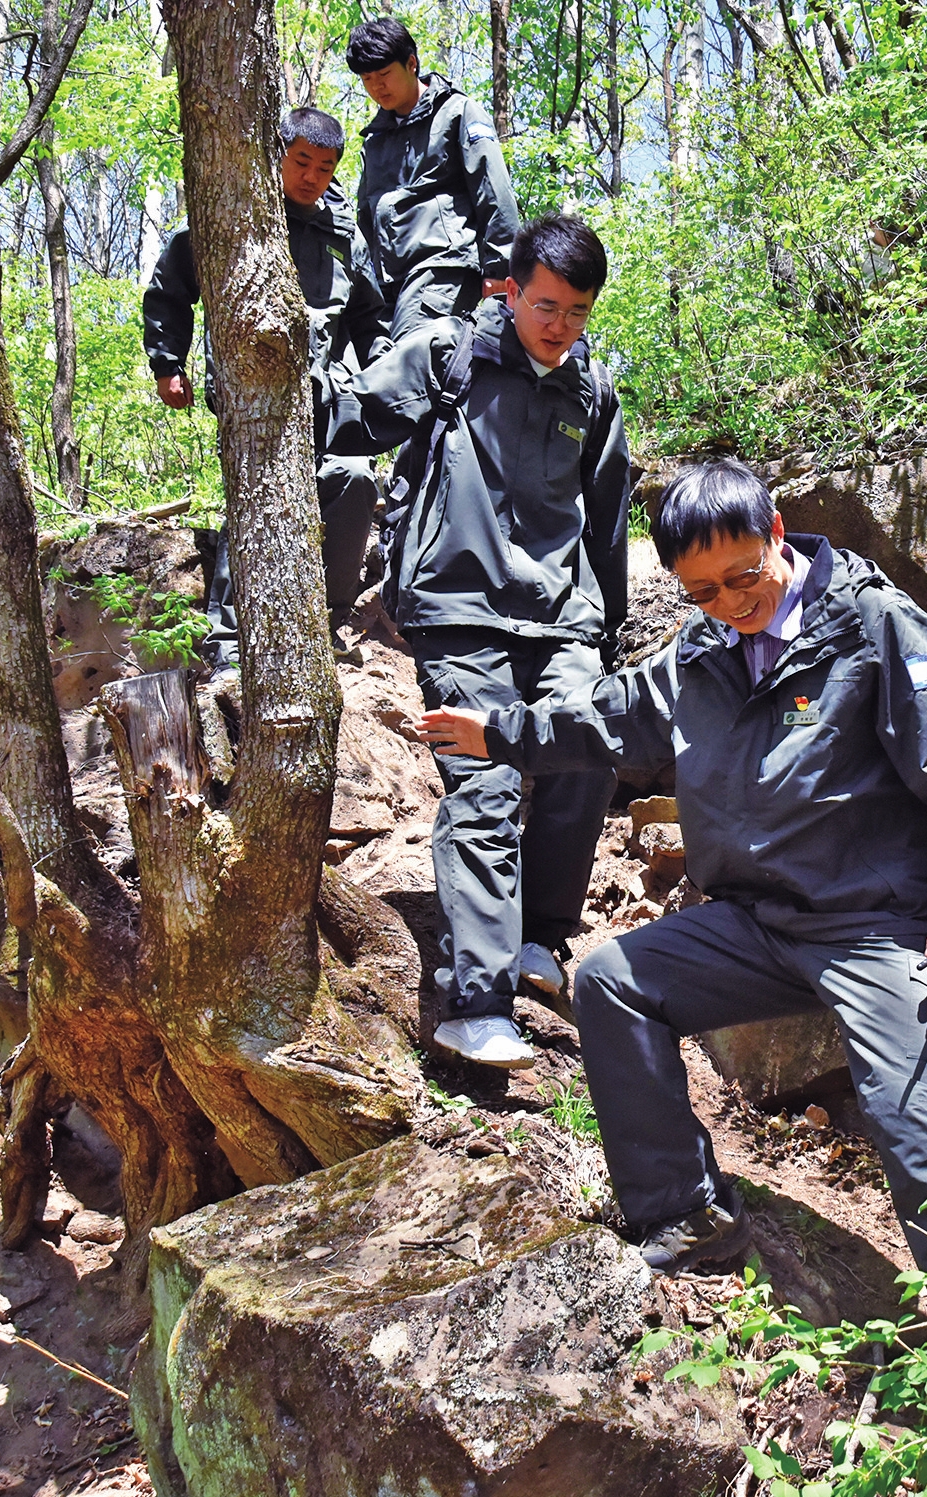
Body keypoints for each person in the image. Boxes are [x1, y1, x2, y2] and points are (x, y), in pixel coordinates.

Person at [420, 459, 927, 1322]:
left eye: (742, 576)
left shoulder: (870, 625)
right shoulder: (703, 650)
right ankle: (686, 1210)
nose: (730, 602)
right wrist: (498, 733)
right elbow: (610, 716)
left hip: (875, 925)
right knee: (609, 982)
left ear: (776, 532)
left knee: (916, 1126)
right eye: (702, 590)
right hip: (755, 921)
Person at [318, 214, 629, 1072]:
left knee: (585, 749)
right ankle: (476, 1002)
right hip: (458, 609)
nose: (560, 326)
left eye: (577, 310)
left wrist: (607, 624)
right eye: (546, 305)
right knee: (487, 778)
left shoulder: (593, 392)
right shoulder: (447, 358)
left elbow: (605, 521)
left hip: (561, 613)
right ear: (511, 288)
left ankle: (541, 940)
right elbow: (348, 419)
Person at [141, 105, 384, 670]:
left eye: (324, 169)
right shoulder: (235, 217)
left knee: (352, 481)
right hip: (251, 392)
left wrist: (379, 381)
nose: (311, 177)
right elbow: (170, 290)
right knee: (262, 498)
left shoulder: (344, 233)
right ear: (277, 155)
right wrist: (166, 360)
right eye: (301, 162)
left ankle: (324, 624)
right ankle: (229, 643)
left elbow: (371, 317)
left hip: (331, 397)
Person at [344, 16, 521, 343]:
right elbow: (365, 220)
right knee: (374, 369)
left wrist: (500, 270)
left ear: (411, 63)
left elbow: (494, 193)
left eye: (384, 74)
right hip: (387, 286)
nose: (376, 87)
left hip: (442, 269)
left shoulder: (457, 112)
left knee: (411, 360)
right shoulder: (375, 140)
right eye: (367, 79)